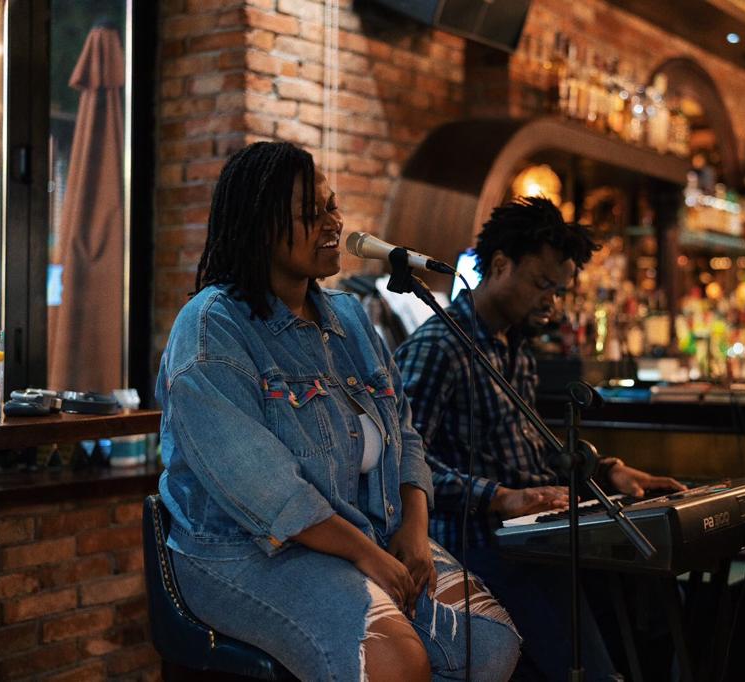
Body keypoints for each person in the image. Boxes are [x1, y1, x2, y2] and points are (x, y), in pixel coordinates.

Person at [156, 141, 519, 682]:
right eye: (312, 213)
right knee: (393, 659)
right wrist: (366, 556)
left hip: (364, 530)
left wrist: (414, 529)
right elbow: (268, 490)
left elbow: (405, 433)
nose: (335, 221)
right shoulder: (211, 330)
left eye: (331, 205)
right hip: (244, 552)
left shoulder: (349, 318)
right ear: (260, 225)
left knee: (489, 645)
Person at [395, 196, 683, 681]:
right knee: (589, 663)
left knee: (651, 591)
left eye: (558, 289)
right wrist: (500, 498)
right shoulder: (437, 347)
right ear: (501, 265)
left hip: (531, 535)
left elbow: (532, 454)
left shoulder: (517, 350)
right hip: (478, 543)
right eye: (542, 285)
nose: (551, 302)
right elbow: (404, 468)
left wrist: (608, 470)